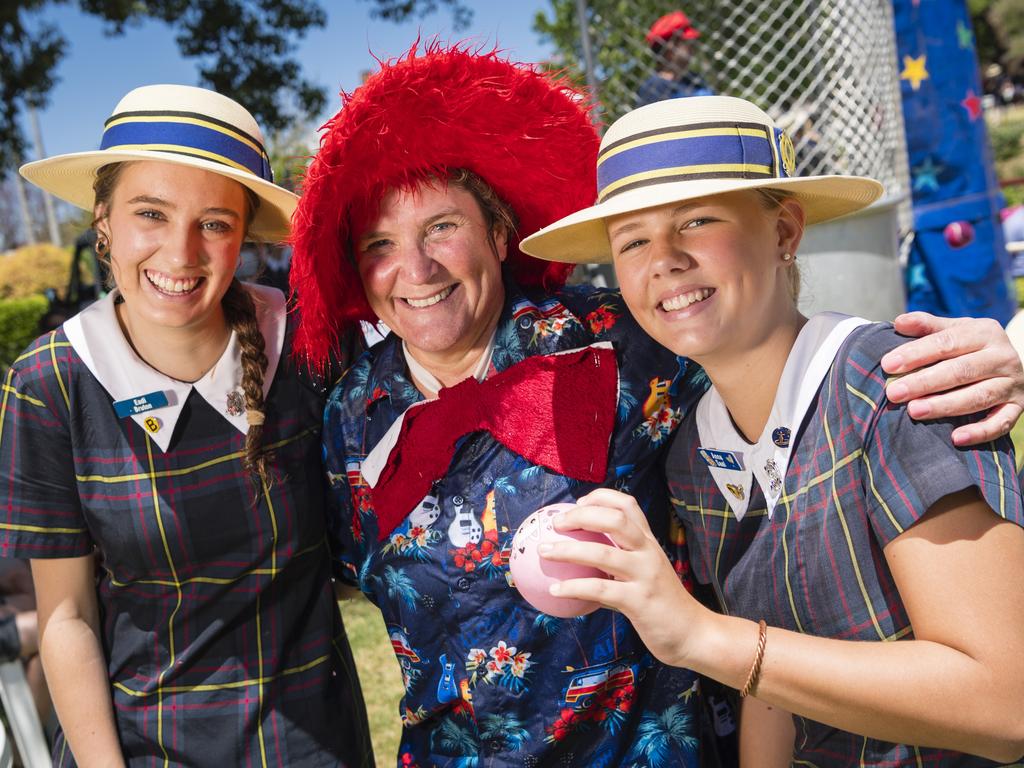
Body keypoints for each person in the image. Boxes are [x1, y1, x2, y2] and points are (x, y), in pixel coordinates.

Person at [289, 45, 1024, 767]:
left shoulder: (625, 341)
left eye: (442, 227)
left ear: (499, 231)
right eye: (380, 243)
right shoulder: (350, 413)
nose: (415, 269)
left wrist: (1000, 355)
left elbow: (758, 336)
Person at [520, 95, 1024, 766]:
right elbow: (773, 692)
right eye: (632, 240)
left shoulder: (895, 388)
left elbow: (1005, 702)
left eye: (696, 221)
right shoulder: (693, 455)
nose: (663, 259)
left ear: (785, 231)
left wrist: (700, 635)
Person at [1, 84, 373, 766]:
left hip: (312, 745)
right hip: (139, 749)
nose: (180, 253)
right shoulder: (49, 383)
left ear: (243, 238)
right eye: (151, 213)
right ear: (103, 219)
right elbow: (67, 618)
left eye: (213, 223)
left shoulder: (308, 343)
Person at [635, 10, 714, 108]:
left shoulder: (694, 79)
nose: (691, 47)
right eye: (686, 42)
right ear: (670, 48)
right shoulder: (654, 88)